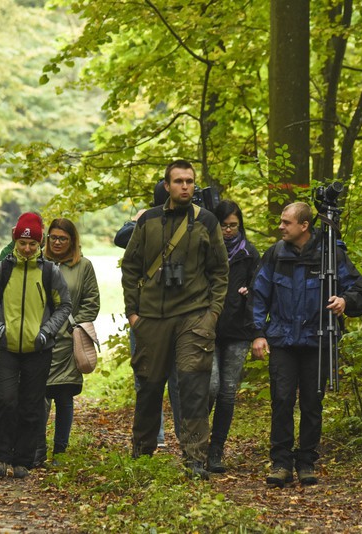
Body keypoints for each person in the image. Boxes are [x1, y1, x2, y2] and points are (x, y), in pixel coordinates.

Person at [120, 159, 229, 480]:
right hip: (151, 318)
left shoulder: (207, 221)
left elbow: (220, 271)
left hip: (194, 318)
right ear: (167, 185)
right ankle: (142, 453)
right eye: (179, 181)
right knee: (149, 389)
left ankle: (195, 459)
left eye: (190, 181)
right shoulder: (149, 221)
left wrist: (212, 315)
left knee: (193, 388)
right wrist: (133, 314)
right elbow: (131, 267)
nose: (185, 186)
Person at [250, 201, 362, 488]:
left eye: (286, 222)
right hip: (282, 340)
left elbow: (359, 292)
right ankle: (280, 463)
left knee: (312, 403)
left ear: (304, 226)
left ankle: (306, 462)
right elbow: (258, 295)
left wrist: (345, 301)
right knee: (281, 401)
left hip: (318, 340)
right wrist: (257, 333)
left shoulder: (331, 256)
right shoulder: (275, 255)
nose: (280, 227)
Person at [0, 212, 72, 479]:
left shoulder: (49, 272)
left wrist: (47, 332)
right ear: (15, 241)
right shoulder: (3, 270)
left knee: (31, 404)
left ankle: (23, 460)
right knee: (4, 400)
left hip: (39, 349)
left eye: (32, 244)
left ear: (40, 243)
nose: (26, 248)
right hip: (6, 348)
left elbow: (64, 305)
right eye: (22, 243)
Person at [115, 197, 181, 448]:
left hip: (177, 310)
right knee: (148, 377)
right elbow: (121, 238)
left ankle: (178, 435)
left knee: (177, 378)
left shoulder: (192, 223)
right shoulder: (148, 222)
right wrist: (139, 219)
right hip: (146, 312)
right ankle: (157, 436)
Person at [34, 218, 100, 466]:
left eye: (63, 238)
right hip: (40, 340)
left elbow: (91, 302)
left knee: (63, 396)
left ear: (72, 241)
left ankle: (60, 451)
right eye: (53, 238)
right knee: (38, 396)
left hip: (68, 342)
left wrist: (73, 326)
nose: (58, 242)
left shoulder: (83, 266)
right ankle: (37, 449)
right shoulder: (38, 264)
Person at [206, 200, 260, 473]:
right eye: (224, 225)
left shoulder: (249, 253)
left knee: (228, 393)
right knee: (211, 386)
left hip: (238, 331)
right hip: (207, 329)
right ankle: (196, 442)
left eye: (233, 225)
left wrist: (249, 293)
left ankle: (216, 449)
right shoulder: (205, 249)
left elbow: (260, 290)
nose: (228, 230)